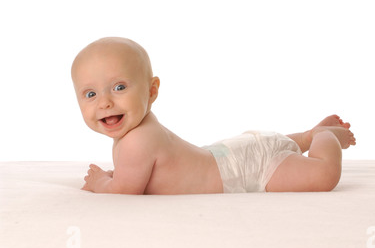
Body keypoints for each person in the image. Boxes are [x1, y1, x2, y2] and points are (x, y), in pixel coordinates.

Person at [71, 37, 356, 195]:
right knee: (278, 151)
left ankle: (323, 137)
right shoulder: (139, 129)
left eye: (119, 87)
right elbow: (135, 175)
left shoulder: (136, 141)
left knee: (323, 177)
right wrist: (115, 176)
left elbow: (124, 190)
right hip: (229, 156)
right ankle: (305, 136)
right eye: (90, 94)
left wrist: (101, 184)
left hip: (247, 171)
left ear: (151, 91)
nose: (105, 103)